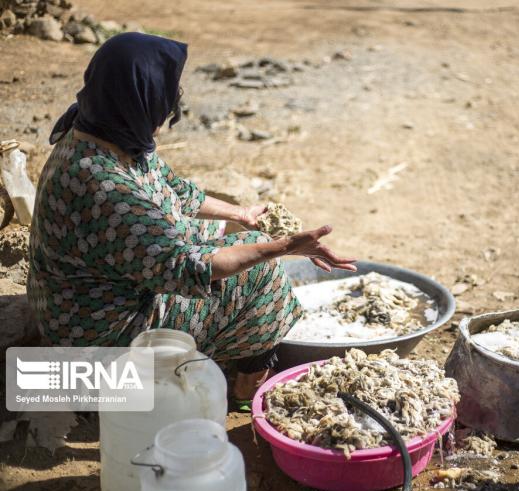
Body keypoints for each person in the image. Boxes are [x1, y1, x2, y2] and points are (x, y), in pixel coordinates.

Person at [26, 32, 356, 404]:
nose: (170, 110)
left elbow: (172, 189)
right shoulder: (106, 190)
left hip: (81, 306)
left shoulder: (102, 131)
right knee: (260, 273)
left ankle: (229, 353)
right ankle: (246, 389)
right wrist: (280, 248)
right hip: (100, 353)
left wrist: (241, 214)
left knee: (219, 235)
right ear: (138, 100)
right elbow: (190, 268)